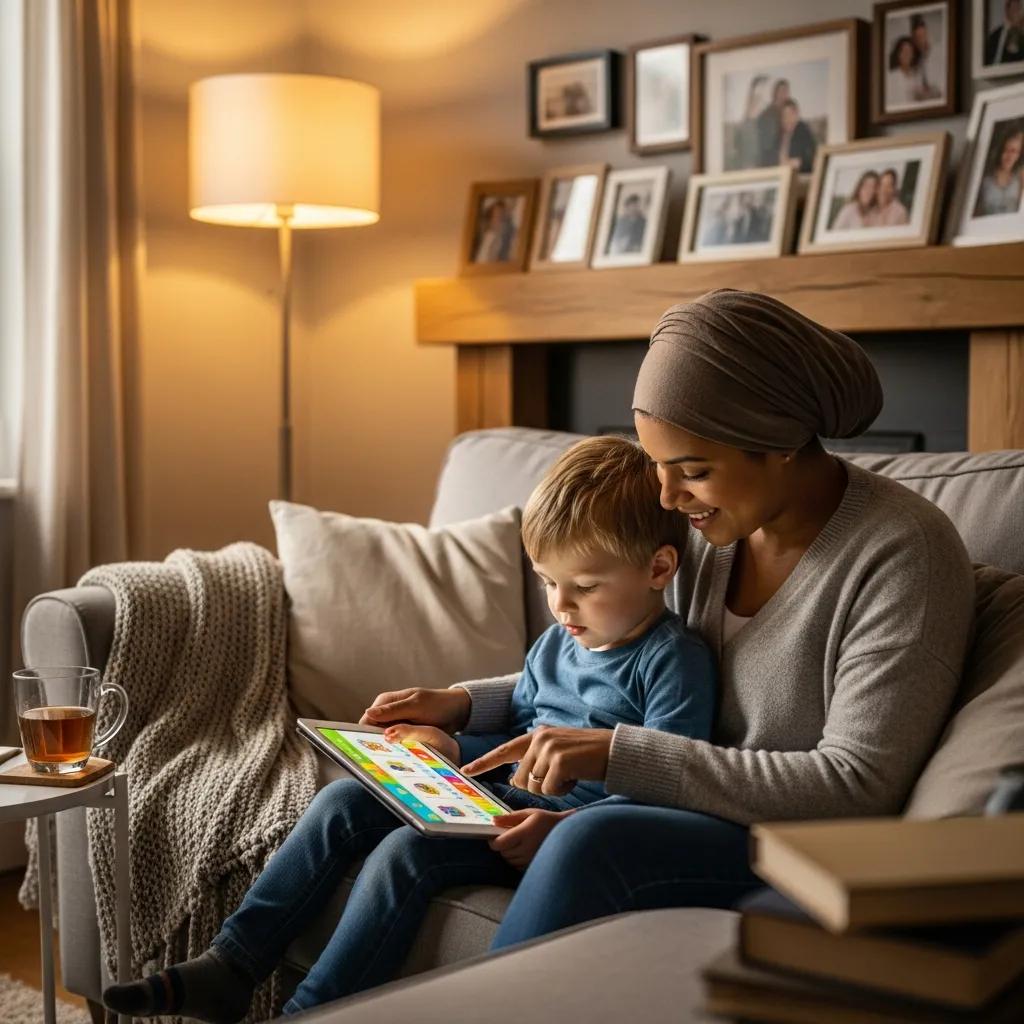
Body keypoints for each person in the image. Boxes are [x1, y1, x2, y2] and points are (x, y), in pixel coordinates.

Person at [419, 287, 972, 955]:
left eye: (693, 471)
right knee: (418, 802)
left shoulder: (903, 552)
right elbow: (615, 656)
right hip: (668, 809)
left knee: (590, 838)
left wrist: (619, 754)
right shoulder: (714, 525)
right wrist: (464, 704)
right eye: (657, 466)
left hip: (790, 846)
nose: (666, 496)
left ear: (779, 442)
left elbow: (857, 786)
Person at [102, 434, 717, 1021]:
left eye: (584, 587)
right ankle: (230, 964)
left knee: (408, 852)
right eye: (549, 582)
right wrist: (450, 743)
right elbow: (521, 722)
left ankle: (310, 1012)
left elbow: (667, 782)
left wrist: (561, 829)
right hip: (498, 798)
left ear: (658, 569)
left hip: (554, 830)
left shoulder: (672, 660)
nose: (561, 605)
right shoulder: (558, 643)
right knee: (344, 800)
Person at [974, 125, 1024, 217]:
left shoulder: (1020, 177)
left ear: (1019, 155)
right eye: (1005, 150)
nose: (1009, 156)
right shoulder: (984, 179)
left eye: (1013, 151)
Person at [887, 35, 928, 108]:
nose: (906, 55)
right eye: (903, 51)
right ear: (898, 54)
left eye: (909, 51)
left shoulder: (917, 75)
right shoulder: (891, 77)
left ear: (913, 55)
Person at [756, 78, 790, 167]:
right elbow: (767, 144)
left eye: (786, 91)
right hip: (771, 159)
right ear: (775, 93)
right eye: (781, 91)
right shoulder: (769, 113)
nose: (784, 95)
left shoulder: (786, 111)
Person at [777, 98, 817, 173]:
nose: (787, 119)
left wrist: (797, 163)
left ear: (796, 115)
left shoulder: (803, 131)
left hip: (800, 174)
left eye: (790, 114)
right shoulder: (779, 135)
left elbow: (812, 160)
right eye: (784, 116)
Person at [910, 14, 942, 100]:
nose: (921, 41)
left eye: (922, 36)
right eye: (917, 38)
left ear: (927, 34)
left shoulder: (938, 52)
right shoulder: (916, 60)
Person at [473, 198, 515, 263]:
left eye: (501, 215)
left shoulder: (506, 238)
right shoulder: (483, 235)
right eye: (495, 215)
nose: (497, 219)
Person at [985, 0, 1024, 67]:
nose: (1016, 13)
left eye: (1018, 8)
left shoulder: (1021, 34)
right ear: (1007, 11)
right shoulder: (995, 35)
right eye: (1014, 9)